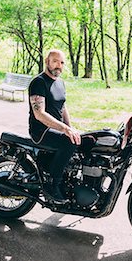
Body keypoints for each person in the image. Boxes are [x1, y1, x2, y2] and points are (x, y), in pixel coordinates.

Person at [28, 49, 81, 203]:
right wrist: (64, 129)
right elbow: (39, 114)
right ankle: (52, 185)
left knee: (82, 140)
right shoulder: (39, 82)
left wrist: (70, 128)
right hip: (41, 131)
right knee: (69, 143)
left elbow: (62, 108)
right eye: (55, 61)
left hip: (55, 129)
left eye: (62, 62)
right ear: (47, 62)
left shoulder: (60, 82)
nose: (59, 65)